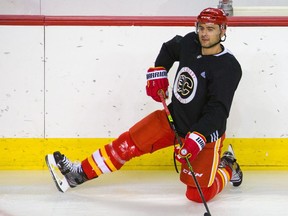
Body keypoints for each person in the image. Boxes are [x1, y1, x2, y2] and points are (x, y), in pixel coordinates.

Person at [45, 7, 243, 203]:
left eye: (210, 29)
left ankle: (227, 165)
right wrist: (159, 70)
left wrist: (197, 136)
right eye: (201, 28)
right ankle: (77, 174)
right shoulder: (190, 42)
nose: (204, 34)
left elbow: (218, 110)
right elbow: (169, 48)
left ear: (222, 30)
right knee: (126, 144)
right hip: (174, 118)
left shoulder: (229, 67)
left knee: (197, 196)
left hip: (205, 134)